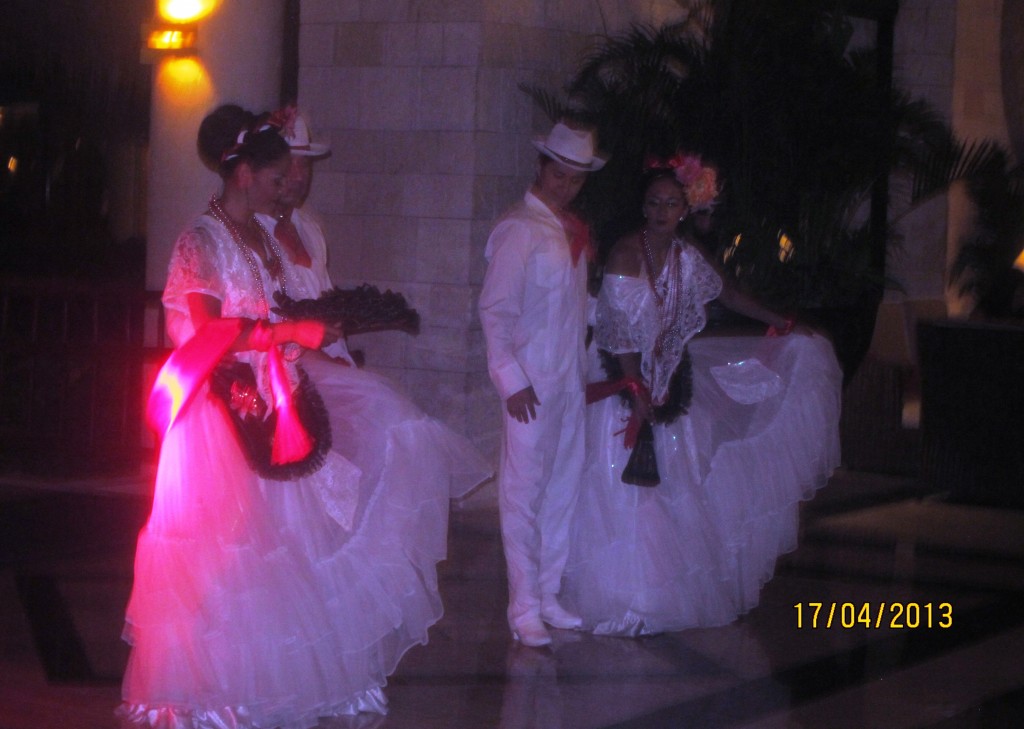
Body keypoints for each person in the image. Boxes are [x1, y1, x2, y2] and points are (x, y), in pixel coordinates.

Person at [119, 104, 487, 729]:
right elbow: (211, 334)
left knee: (296, 543)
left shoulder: (260, 236)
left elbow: (275, 312)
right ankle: (222, 689)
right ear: (243, 174)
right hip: (222, 413)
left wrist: (314, 331)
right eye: (274, 173)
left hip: (279, 394)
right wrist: (292, 329)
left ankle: (299, 681)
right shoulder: (199, 239)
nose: (284, 183)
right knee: (231, 556)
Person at [560, 158, 843, 636]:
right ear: (643, 207)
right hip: (621, 386)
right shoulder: (627, 253)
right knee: (622, 489)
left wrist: (784, 321)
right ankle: (625, 597)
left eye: (671, 203)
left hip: (663, 382)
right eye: (653, 203)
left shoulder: (686, 254)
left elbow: (728, 293)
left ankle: (663, 594)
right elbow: (617, 329)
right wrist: (634, 386)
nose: (661, 211)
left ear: (685, 209)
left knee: (671, 486)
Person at [478, 122, 606, 647]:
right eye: (560, 173)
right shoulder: (519, 228)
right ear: (541, 167)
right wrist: (511, 380)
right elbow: (495, 310)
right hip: (530, 383)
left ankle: (548, 593)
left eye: (576, 178)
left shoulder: (569, 231)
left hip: (569, 382)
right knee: (523, 492)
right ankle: (524, 604)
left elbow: (575, 311)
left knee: (564, 485)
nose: (567, 185)